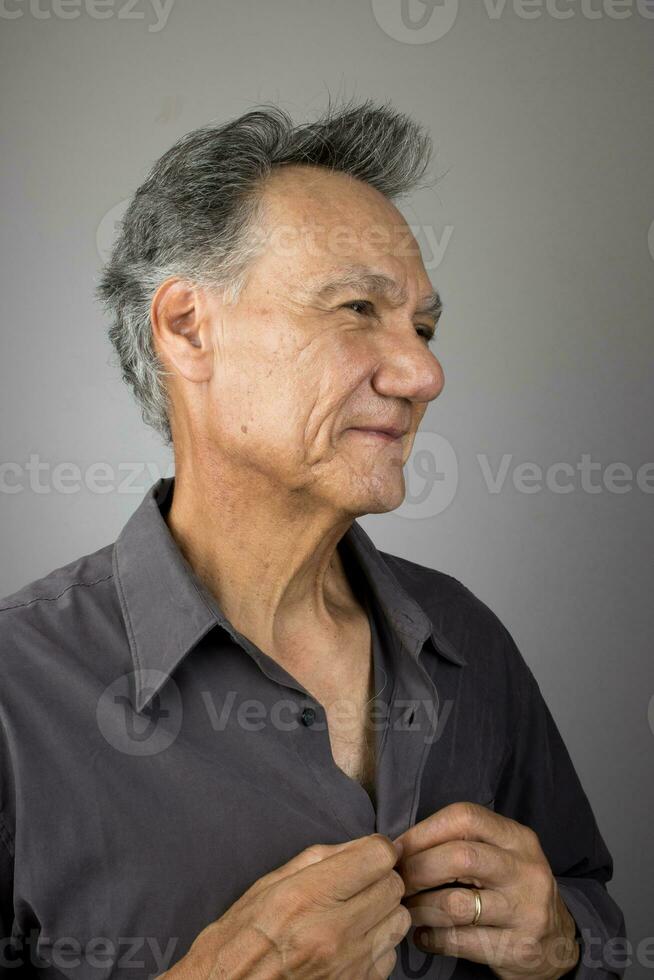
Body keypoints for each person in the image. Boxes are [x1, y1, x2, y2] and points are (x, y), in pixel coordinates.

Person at [0, 99, 626, 979]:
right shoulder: (16, 693)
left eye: (425, 328)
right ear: (188, 328)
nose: (424, 374)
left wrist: (566, 937)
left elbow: (589, 892)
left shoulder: (468, 640)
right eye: (358, 307)